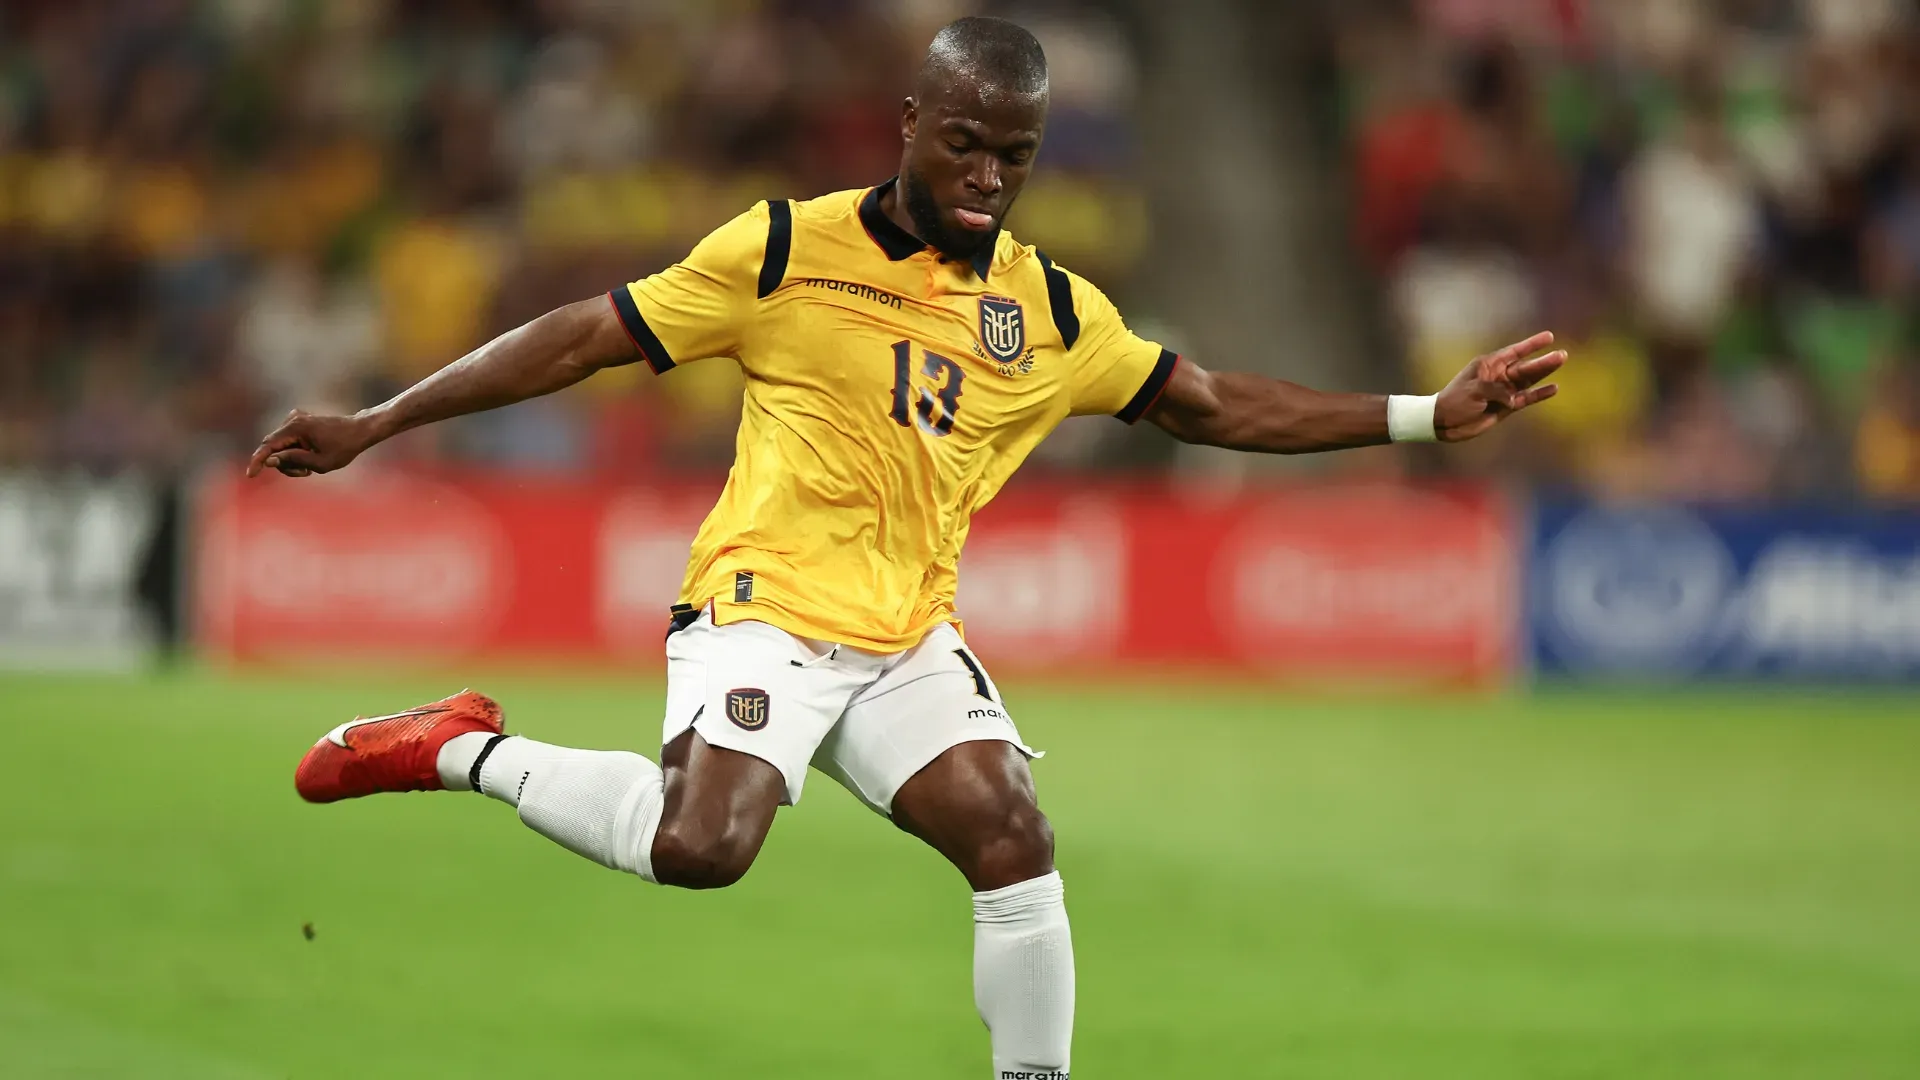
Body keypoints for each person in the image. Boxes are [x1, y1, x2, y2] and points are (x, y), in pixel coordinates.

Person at [248, 17, 1564, 1078]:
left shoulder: (1050, 307)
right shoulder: (782, 249)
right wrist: (379, 419)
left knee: (1009, 834)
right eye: (968, 147)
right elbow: (580, 336)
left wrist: (1423, 416)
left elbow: (1212, 404)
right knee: (704, 848)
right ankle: (459, 746)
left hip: (904, 633)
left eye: (1019, 156)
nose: (990, 178)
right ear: (911, 129)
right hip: (761, 605)